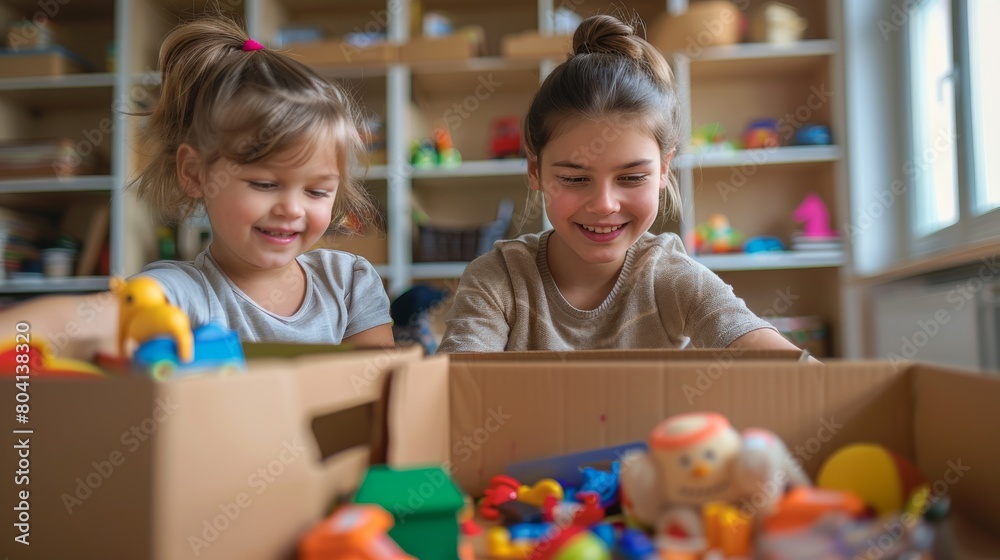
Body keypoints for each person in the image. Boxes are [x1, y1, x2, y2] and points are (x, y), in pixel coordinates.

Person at [1, 15, 393, 357]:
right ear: (194, 173)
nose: (292, 209)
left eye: (317, 191)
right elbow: (88, 318)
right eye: (264, 183)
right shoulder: (184, 293)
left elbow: (378, 392)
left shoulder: (349, 282)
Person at [438, 14, 804, 355]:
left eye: (631, 177)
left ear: (664, 169)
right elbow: (453, 394)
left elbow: (795, 374)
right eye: (575, 178)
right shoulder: (498, 280)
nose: (604, 204)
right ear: (534, 169)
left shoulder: (674, 279)